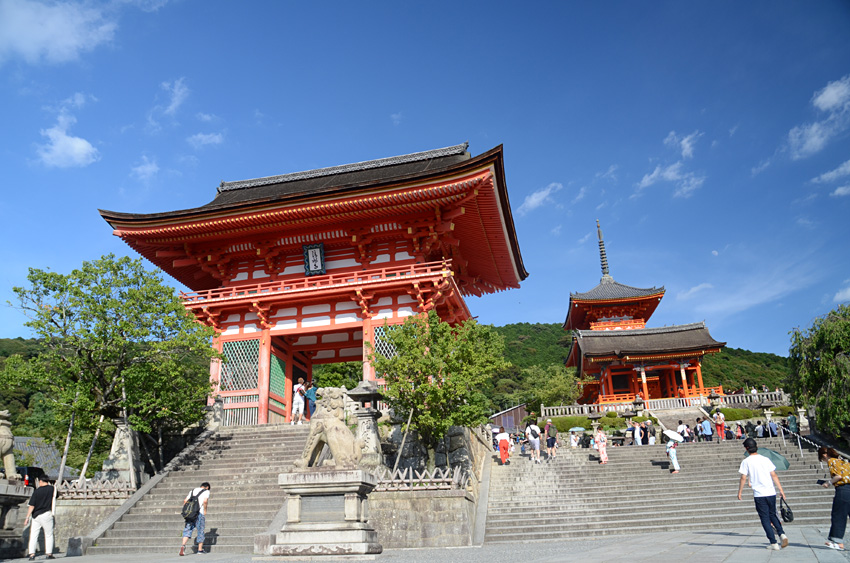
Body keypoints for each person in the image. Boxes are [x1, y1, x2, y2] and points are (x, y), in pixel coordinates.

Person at [738, 438, 788, 550]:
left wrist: (740, 492)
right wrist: (781, 489)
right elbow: (774, 474)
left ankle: (773, 543)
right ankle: (782, 533)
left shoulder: (746, 461)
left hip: (759, 494)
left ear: (746, 448)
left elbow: (743, 477)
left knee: (765, 518)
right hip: (771, 492)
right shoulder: (765, 459)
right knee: (772, 514)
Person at [819, 447, 850, 550]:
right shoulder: (843, 461)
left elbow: (838, 477)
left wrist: (828, 483)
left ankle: (838, 542)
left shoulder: (832, 461)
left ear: (824, 455)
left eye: (822, 459)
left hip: (843, 489)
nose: (824, 461)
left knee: (839, 515)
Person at [24, 475, 55, 561]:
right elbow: (56, 496)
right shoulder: (52, 489)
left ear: (40, 481)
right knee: (49, 534)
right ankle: (49, 553)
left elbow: (31, 505)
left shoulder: (36, 491)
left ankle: (32, 554)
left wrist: (27, 517)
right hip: (47, 514)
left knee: (33, 535)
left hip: (36, 515)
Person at [180, 482, 211, 556]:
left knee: (187, 529)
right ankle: (200, 550)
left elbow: (185, 501)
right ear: (207, 487)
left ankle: (183, 546)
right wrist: (205, 510)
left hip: (190, 514)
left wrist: (187, 511)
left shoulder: (192, 490)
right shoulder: (206, 491)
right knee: (200, 530)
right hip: (199, 513)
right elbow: (205, 501)